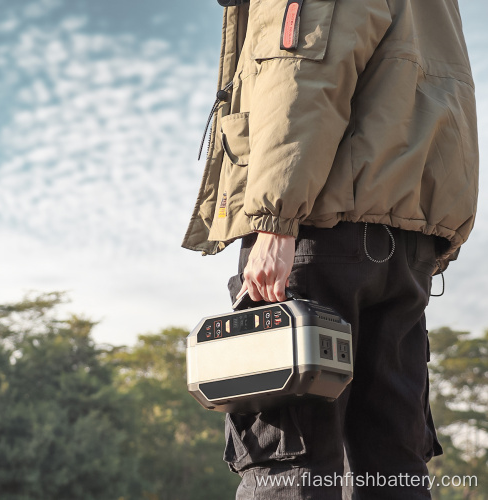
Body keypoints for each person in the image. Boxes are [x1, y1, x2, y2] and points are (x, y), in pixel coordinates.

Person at [182, 0, 479, 498]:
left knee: (285, 466)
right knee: (392, 464)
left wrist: (276, 224)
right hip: (404, 250)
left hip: (315, 237)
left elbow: (298, 79)